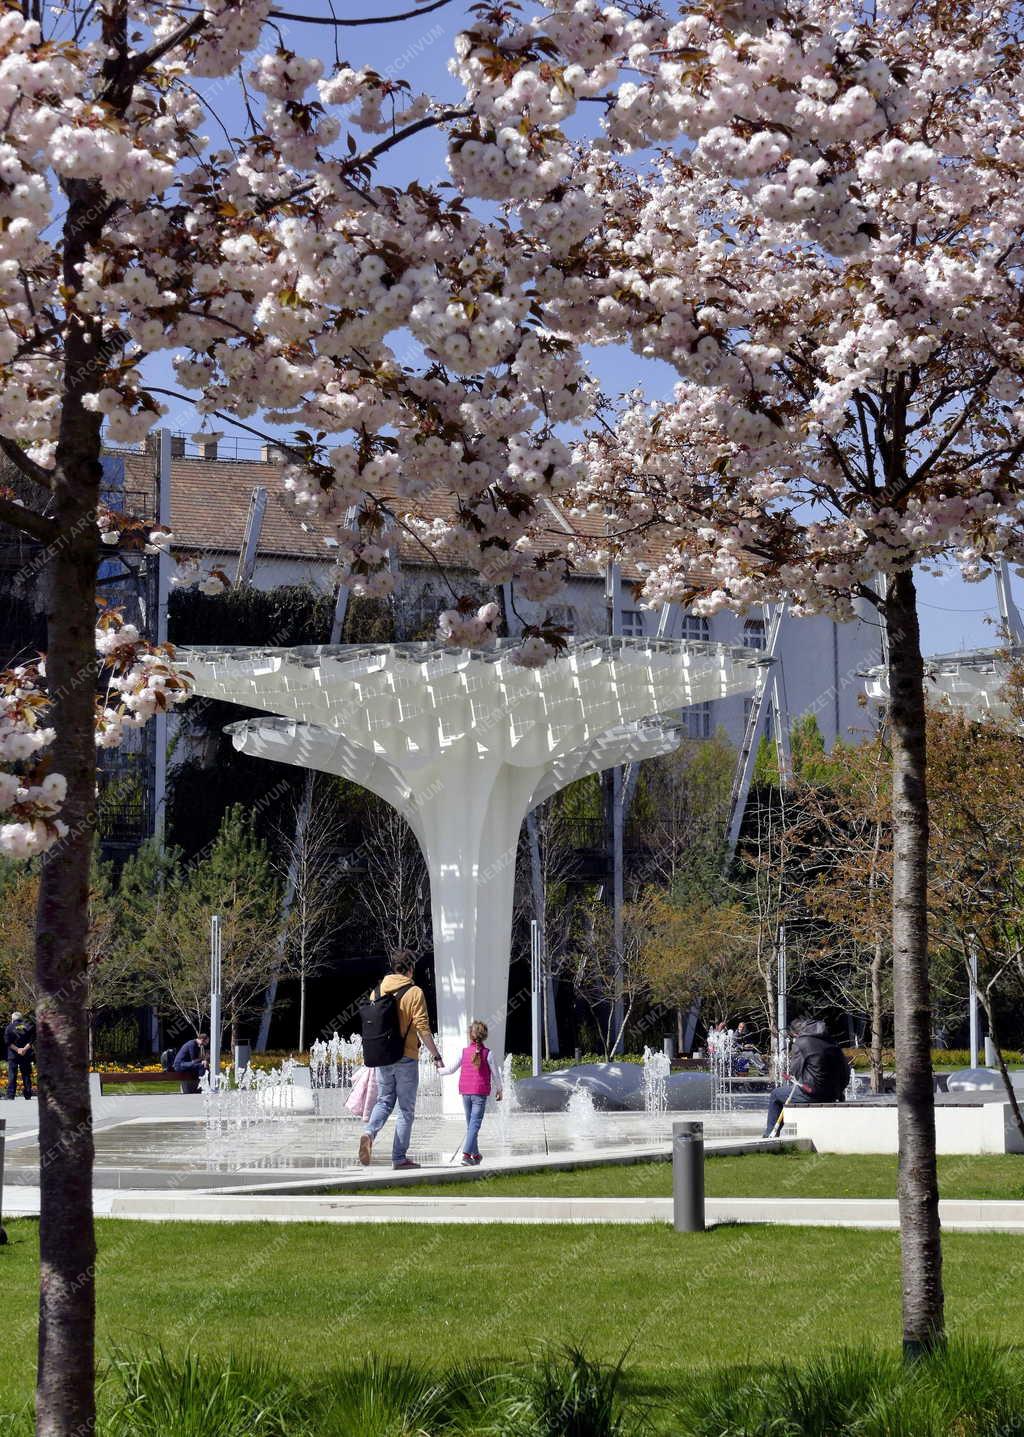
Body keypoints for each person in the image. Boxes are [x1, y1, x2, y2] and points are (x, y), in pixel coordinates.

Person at [359, 950, 444, 1170]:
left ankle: (369, 1133)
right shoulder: (415, 992)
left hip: (383, 1056)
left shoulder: (377, 991)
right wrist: (436, 1055)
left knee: (384, 1101)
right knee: (406, 1109)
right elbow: (423, 1028)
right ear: (410, 968)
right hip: (406, 1057)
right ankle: (399, 1158)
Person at [763, 1017, 851, 1137]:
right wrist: (839, 1091)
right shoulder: (831, 1041)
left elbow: (795, 1071)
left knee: (776, 1095)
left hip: (813, 1092)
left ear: (795, 1033)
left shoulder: (801, 1042)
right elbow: (846, 1070)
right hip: (834, 1093)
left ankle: (770, 1134)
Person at [438, 1019, 504, 1166]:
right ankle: (466, 1155)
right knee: (474, 1125)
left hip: (465, 1092)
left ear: (470, 1035)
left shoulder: (464, 1052)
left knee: (471, 1125)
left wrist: (438, 1069)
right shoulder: (488, 1053)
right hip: (479, 1093)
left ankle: (475, 1154)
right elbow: (496, 1074)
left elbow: (450, 1070)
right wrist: (500, 1090)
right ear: (484, 1036)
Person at [4, 1011, 35, 1100]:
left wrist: (17, 1050)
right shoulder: (28, 1026)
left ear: (13, 1019)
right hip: (26, 1054)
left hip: (13, 1054)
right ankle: (28, 1094)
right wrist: (24, 1049)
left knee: (12, 1074)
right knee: (26, 1074)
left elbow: (8, 1042)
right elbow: (32, 1040)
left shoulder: (9, 1027)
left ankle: (10, 1095)